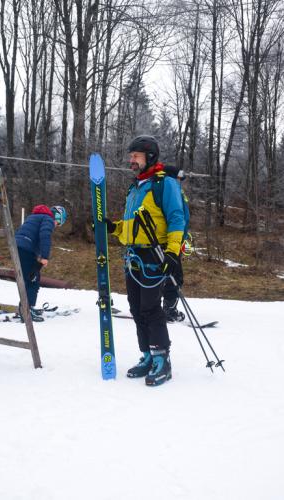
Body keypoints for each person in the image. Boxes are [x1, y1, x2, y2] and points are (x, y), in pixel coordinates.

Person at [105, 135, 185, 386]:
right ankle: (147, 355)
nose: (131, 160)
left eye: (136, 156)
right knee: (136, 308)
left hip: (155, 256)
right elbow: (132, 227)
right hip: (133, 256)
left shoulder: (165, 184)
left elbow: (176, 219)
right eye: (131, 156)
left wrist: (173, 252)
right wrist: (114, 228)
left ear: (149, 156)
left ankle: (163, 359)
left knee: (151, 308)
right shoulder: (136, 187)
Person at [15, 204, 67, 321]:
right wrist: (44, 256)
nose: (56, 226)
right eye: (58, 223)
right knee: (33, 279)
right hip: (26, 249)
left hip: (18, 247)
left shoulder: (34, 217)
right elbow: (45, 236)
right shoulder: (48, 219)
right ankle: (26, 310)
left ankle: (25, 307)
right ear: (57, 217)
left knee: (29, 278)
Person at [161, 166, 190, 323]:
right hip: (168, 242)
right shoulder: (170, 190)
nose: (180, 182)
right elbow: (174, 217)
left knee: (172, 275)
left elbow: (183, 217)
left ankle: (166, 307)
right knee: (174, 276)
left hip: (177, 241)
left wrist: (184, 236)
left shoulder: (178, 192)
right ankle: (168, 310)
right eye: (179, 179)